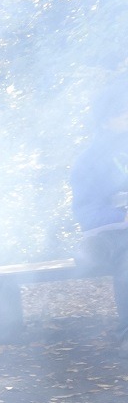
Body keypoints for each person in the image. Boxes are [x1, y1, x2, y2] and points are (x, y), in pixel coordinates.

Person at [70, 75, 128, 349]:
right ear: (106, 120)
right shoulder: (89, 161)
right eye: (122, 110)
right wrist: (122, 217)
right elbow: (86, 213)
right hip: (107, 238)